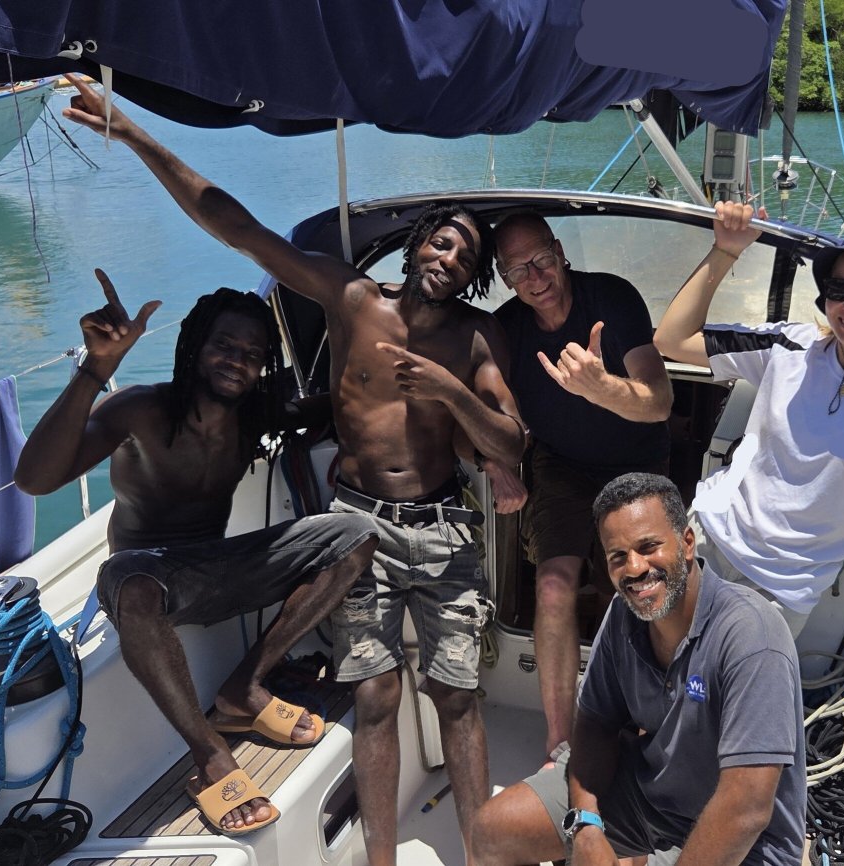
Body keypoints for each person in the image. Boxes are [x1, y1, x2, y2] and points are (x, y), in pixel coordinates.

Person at [61, 76, 527, 864]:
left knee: (459, 697)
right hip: (357, 528)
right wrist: (138, 137)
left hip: (447, 527)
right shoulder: (352, 300)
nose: (450, 256)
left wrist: (451, 392)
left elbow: (510, 444)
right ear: (417, 248)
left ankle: (482, 855)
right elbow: (237, 228)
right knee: (375, 699)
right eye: (442, 241)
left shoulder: (479, 342)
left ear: (476, 276)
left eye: (468, 254)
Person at [15, 274, 380, 836]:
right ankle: (210, 754)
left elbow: (338, 402)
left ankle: (245, 686)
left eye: (253, 354)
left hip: (220, 569)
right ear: (193, 347)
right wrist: (96, 370)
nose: (237, 361)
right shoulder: (141, 410)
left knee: (353, 534)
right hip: (146, 581)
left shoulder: (255, 415)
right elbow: (35, 479)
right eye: (224, 346)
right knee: (128, 573)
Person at [653, 202, 844, 693]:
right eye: (839, 290)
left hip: (783, 592)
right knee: (661, 678)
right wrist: (725, 252)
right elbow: (672, 339)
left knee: (721, 707)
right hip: (707, 542)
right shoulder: (789, 348)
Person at [470, 472, 806, 866]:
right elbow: (596, 723)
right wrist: (587, 824)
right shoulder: (623, 614)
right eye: (618, 556)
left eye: (649, 547)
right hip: (649, 799)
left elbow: (745, 809)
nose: (634, 568)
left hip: (750, 846)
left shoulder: (751, 635)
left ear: (686, 543)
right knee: (491, 833)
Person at [481, 212, 673, 762]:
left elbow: (659, 401)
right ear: (504, 277)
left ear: (560, 250)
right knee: (553, 586)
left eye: (541, 259)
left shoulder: (611, 300)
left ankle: (638, 721)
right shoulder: (506, 328)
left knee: (632, 586)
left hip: (636, 463)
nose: (534, 277)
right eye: (517, 270)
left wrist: (601, 387)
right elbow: (485, 413)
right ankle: (561, 741)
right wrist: (496, 464)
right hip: (561, 466)